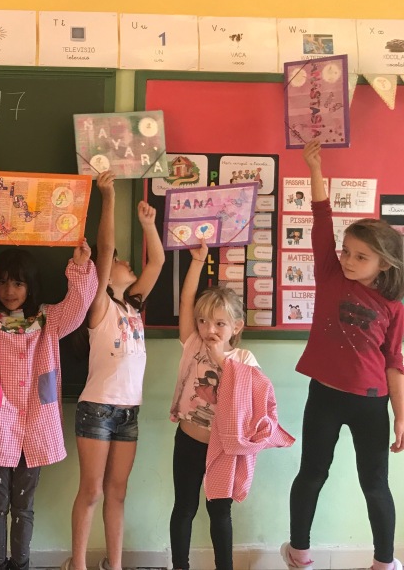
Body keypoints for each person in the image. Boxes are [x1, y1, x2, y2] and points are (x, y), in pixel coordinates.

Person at [284, 140, 404, 570]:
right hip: (325, 396)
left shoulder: (392, 305)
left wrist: (401, 416)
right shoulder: (330, 274)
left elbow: (395, 363)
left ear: (384, 264)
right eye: (347, 252)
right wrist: (314, 168)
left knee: (375, 484)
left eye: (361, 257)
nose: (349, 261)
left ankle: (384, 562)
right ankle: (299, 553)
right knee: (312, 473)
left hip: (371, 403)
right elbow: (322, 219)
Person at [0, 235, 96, 570]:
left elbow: (78, 305)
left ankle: (20, 565)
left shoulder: (49, 320)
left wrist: (80, 267)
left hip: (35, 421)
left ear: (30, 285)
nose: (9, 290)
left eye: (18, 283)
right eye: (3, 281)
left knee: (23, 506)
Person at [66, 171, 164, 570]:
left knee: (117, 493)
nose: (126, 262)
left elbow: (158, 261)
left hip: (129, 411)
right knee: (91, 491)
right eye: (121, 261)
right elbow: (105, 249)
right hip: (97, 409)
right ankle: (78, 564)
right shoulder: (100, 306)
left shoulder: (133, 305)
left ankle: (115, 564)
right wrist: (108, 196)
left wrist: (148, 225)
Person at [169, 240, 259, 570]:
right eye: (204, 321)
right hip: (189, 440)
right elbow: (186, 300)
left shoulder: (244, 359)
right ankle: (180, 565)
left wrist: (221, 357)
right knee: (184, 507)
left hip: (223, 449)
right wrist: (197, 262)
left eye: (220, 323)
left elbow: (248, 398)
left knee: (219, 511)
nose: (210, 329)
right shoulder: (193, 343)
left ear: (236, 327)